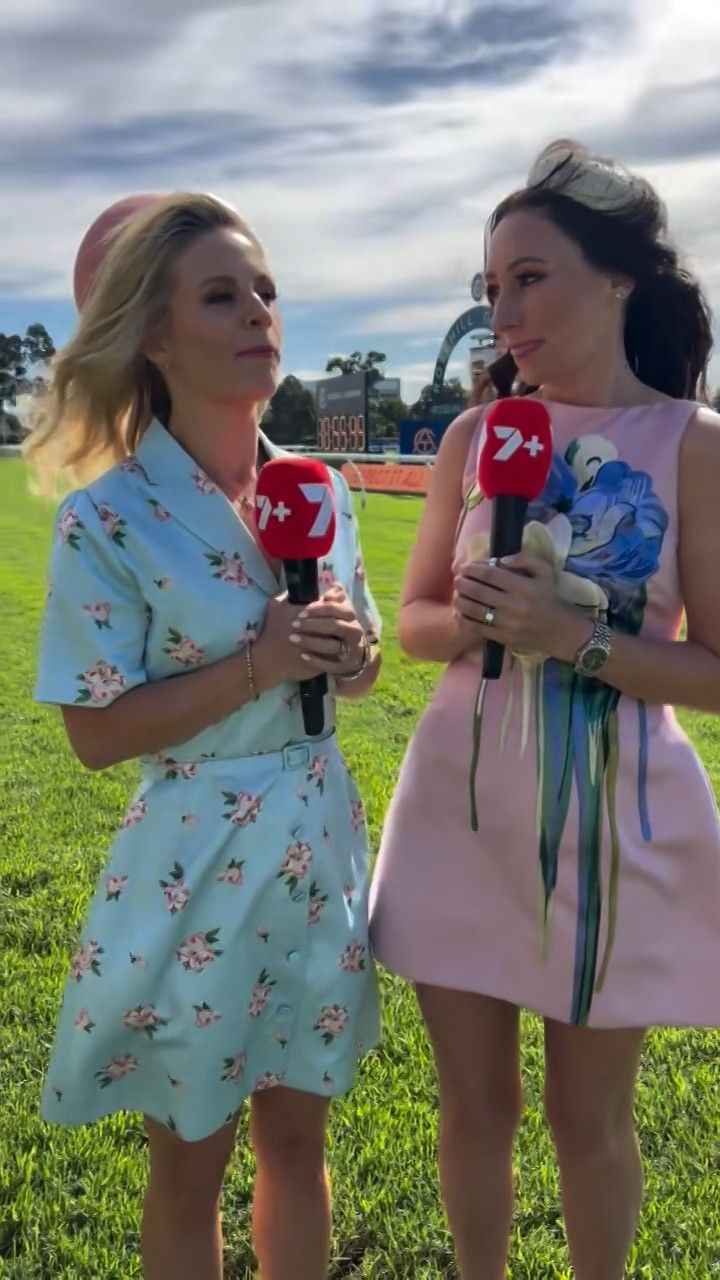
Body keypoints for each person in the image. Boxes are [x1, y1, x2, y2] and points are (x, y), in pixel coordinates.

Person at [369, 138, 720, 1280]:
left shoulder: (692, 444)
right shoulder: (473, 438)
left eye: (530, 278)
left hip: (614, 826)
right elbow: (415, 621)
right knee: (475, 1109)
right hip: (459, 812)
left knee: (589, 1119)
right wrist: (477, 620)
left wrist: (577, 639)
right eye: (491, 287)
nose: (504, 313)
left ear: (619, 277)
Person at [25, 191, 382, 1280]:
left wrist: (350, 655)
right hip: (196, 862)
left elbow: (361, 664)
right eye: (221, 296)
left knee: (300, 1142)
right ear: (155, 336)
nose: (259, 312)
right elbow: (95, 732)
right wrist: (260, 662)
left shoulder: (320, 488)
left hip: (317, 842)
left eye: (264, 289)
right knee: (190, 1158)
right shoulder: (109, 518)